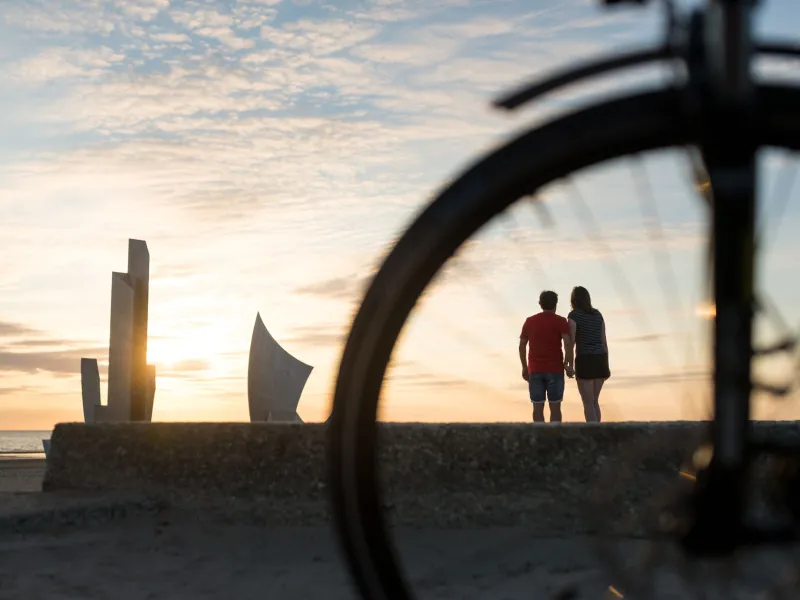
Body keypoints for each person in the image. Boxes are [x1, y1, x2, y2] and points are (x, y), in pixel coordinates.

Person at [519, 290, 574, 423]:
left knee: (537, 408)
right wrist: (569, 364)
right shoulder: (561, 321)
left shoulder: (530, 321)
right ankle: (554, 439)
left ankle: (539, 440)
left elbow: (521, 346)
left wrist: (524, 367)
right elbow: (568, 343)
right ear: (556, 304)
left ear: (540, 304)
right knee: (555, 407)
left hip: (535, 370)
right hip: (555, 370)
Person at [567, 286, 610, 423]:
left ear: (573, 300)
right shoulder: (598, 315)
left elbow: (572, 341)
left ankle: (593, 435)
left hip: (585, 359)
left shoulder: (574, 316)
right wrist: (606, 364)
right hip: (600, 359)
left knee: (588, 403)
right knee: (594, 401)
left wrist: (570, 365)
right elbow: (604, 340)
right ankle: (599, 432)